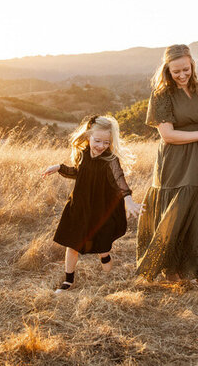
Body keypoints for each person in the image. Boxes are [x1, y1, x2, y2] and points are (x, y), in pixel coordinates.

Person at [136, 44, 198, 282]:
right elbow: (168, 135)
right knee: (174, 212)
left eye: (185, 69)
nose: (181, 75)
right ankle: (170, 271)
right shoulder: (162, 94)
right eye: (175, 72)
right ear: (167, 70)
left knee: (197, 210)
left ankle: (189, 270)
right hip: (175, 160)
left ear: (192, 64)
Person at [43, 115, 143, 293]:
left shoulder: (110, 160)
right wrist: (59, 167)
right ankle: (68, 281)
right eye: (97, 141)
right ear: (88, 136)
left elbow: (120, 181)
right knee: (72, 244)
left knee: (102, 247)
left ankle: (108, 273)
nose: (101, 146)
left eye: (106, 142)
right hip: (80, 206)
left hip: (100, 209)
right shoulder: (83, 154)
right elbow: (78, 172)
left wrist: (128, 199)